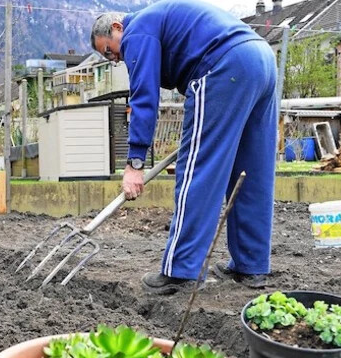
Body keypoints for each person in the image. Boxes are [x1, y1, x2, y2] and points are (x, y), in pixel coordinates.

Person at [90, 0, 277, 294]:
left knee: (197, 170)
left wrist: (135, 163)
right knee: (250, 170)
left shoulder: (136, 30)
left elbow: (144, 97)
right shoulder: (157, 22)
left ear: (117, 28)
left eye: (110, 52)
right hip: (261, 59)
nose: (115, 60)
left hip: (222, 66)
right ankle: (251, 266)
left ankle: (181, 270)